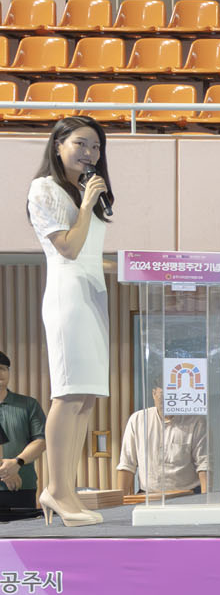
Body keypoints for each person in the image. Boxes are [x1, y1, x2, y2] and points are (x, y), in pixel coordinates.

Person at [23, 115, 113, 526]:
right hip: (68, 296)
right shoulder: (44, 188)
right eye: (80, 143)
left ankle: (68, 490)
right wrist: (88, 204)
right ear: (58, 145)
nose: (90, 153)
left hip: (93, 294)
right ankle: (56, 490)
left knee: (87, 396)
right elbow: (69, 249)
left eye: (95, 147)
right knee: (69, 393)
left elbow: (90, 255)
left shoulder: (81, 190)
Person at [116, 387, 211, 497]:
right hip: (148, 495)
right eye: (163, 394)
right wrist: (120, 502)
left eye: (173, 394)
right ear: (154, 394)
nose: (168, 399)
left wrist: (205, 500)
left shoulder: (197, 421)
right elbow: (127, 464)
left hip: (187, 495)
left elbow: (204, 465)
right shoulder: (137, 420)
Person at [0, 350, 47, 523]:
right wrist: (6, 472)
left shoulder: (28, 404)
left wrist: (17, 463)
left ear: (9, 372)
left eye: (3, 368)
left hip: (22, 486)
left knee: (24, 534)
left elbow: (41, 440)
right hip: (12, 479)